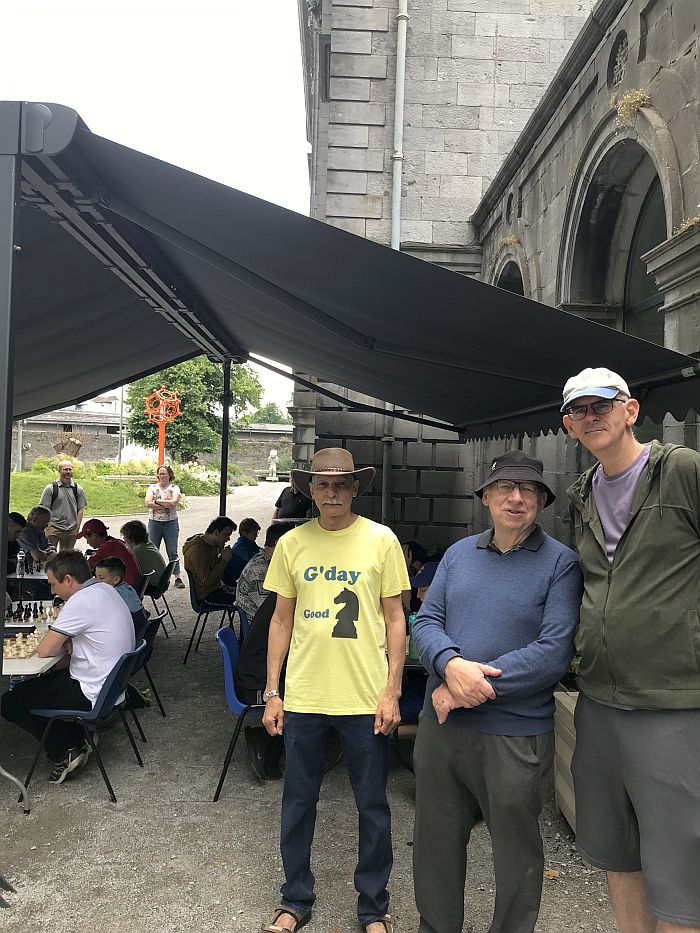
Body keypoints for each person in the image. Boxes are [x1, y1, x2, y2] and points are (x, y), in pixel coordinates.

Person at [411, 450, 582, 933]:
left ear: (541, 502)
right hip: (442, 728)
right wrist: (450, 666)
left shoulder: (561, 564)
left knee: (517, 853)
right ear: (485, 496)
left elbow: (552, 652)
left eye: (528, 490)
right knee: (436, 843)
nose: (516, 497)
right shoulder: (459, 554)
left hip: (514, 736)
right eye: (505, 487)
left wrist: (464, 686)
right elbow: (426, 621)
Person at [561, 366, 700, 933]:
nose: (590, 417)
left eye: (601, 406)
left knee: (679, 867)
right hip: (598, 699)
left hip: (671, 701)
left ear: (631, 410)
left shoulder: (683, 471)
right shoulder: (578, 494)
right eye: (578, 411)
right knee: (619, 854)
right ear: (568, 426)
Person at [260, 447, 409, 933]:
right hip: (304, 695)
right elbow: (280, 620)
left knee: (373, 806)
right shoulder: (293, 543)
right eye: (322, 484)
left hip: (365, 697)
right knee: (298, 802)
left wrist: (392, 692)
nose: (331, 492)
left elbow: (395, 620)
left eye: (341, 484)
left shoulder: (381, 540)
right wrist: (272, 691)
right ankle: (295, 899)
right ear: (309, 490)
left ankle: (373, 907)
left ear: (354, 489)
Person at [1, 550, 135, 784]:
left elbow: (45, 650)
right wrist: (69, 642)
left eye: (53, 584)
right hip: (111, 686)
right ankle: (77, 735)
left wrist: (63, 642)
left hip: (91, 690)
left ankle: (67, 747)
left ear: (69, 580)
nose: (52, 591)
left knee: (11, 702)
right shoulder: (104, 589)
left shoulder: (81, 601)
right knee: (35, 686)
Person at [235, 593, 285, 781]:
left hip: (252, 675)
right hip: (255, 684)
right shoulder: (289, 602)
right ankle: (267, 753)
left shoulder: (280, 597)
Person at [235, 522, 294, 622]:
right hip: (262, 628)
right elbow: (269, 610)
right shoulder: (260, 570)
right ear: (278, 543)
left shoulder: (266, 560)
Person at [182, 516, 238, 610]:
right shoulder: (197, 550)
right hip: (206, 596)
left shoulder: (213, 545)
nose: (228, 539)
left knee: (246, 592)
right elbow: (207, 581)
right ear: (216, 532)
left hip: (217, 588)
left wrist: (221, 559)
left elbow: (214, 569)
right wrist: (224, 561)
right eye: (226, 535)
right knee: (246, 600)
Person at [145, 465, 184, 589]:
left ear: (169, 475)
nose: (162, 476)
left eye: (164, 473)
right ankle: (152, 576)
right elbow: (147, 503)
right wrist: (164, 505)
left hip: (170, 523)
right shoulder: (152, 487)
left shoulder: (174, 488)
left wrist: (156, 502)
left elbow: (173, 502)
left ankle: (177, 576)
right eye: (160, 474)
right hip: (154, 523)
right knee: (152, 549)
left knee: (172, 550)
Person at [77, 519, 141, 588]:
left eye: (86, 538)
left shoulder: (108, 547)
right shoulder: (117, 542)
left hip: (124, 589)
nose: (87, 542)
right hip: (133, 586)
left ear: (93, 535)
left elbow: (86, 567)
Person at [39, 460, 86, 551]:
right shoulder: (51, 488)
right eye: (65, 469)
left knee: (66, 560)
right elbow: (44, 509)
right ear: (59, 471)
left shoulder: (78, 489)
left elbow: (80, 509)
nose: (68, 472)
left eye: (70, 469)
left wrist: (77, 527)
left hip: (71, 530)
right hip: (53, 528)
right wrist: (47, 526)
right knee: (50, 556)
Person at [94, 556, 147, 636]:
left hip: (132, 634)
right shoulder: (126, 588)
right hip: (140, 631)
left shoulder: (115, 595)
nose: (97, 581)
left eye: (101, 578)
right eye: (95, 577)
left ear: (116, 580)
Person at [120, 520, 166, 591]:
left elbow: (127, 570)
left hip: (153, 585)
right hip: (162, 582)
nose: (124, 539)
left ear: (131, 537)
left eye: (125, 536)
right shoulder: (148, 544)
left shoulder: (138, 551)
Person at [222, 517, 261, 588]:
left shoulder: (251, 544)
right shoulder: (239, 547)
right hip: (230, 582)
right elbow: (254, 559)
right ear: (244, 533)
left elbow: (260, 552)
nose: (256, 535)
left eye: (257, 533)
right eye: (253, 533)